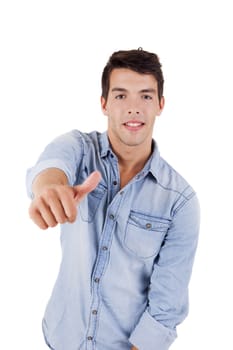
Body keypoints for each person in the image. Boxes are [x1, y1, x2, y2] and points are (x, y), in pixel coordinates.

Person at [26, 48, 200, 350]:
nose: (133, 108)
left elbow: (165, 307)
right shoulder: (80, 148)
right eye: (121, 96)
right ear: (104, 104)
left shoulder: (180, 202)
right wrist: (50, 188)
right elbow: (52, 165)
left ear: (160, 105)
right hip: (60, 337)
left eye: (145, 96)